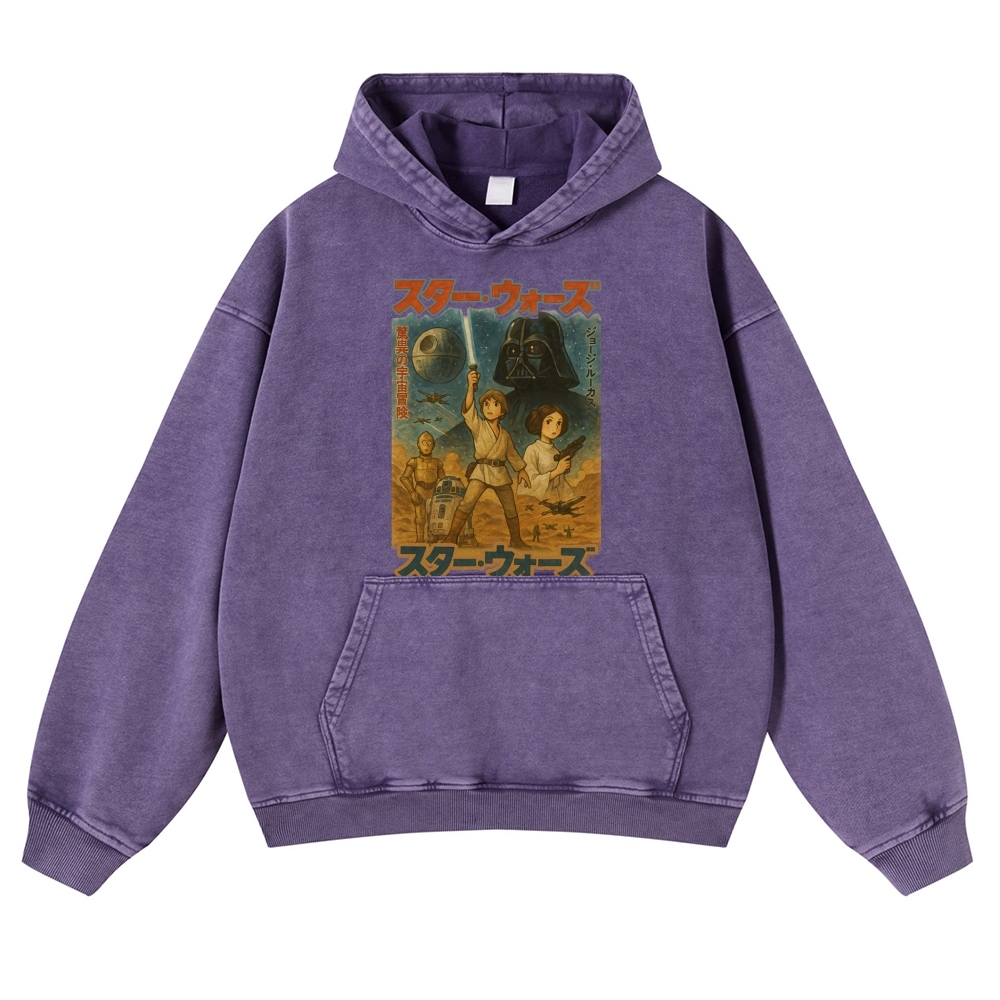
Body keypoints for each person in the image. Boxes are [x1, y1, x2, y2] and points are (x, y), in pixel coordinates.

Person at [443, 367, 531, 548]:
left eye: (495, 405)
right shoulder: (478, 426)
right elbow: (468, 410)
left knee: (510, 507)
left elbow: (512, 454)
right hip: (481, 472)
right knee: (467, 503)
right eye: (486, 405)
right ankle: (451, 537)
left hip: (500, 473)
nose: (490, 408)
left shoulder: (505, 435)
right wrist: (470, 386)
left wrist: (521, 470)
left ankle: (516, 540)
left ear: (502, 411)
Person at [518, 404, 575, 503]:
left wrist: (570, 498)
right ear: (539, 423)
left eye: (559, 423)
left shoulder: (556, 452)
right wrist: (557, 471)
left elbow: (560, 483)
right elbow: (530, 482)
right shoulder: (532, 450)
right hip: (536, 502)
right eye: (549, 421)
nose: (555, 427)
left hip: (553, 500)